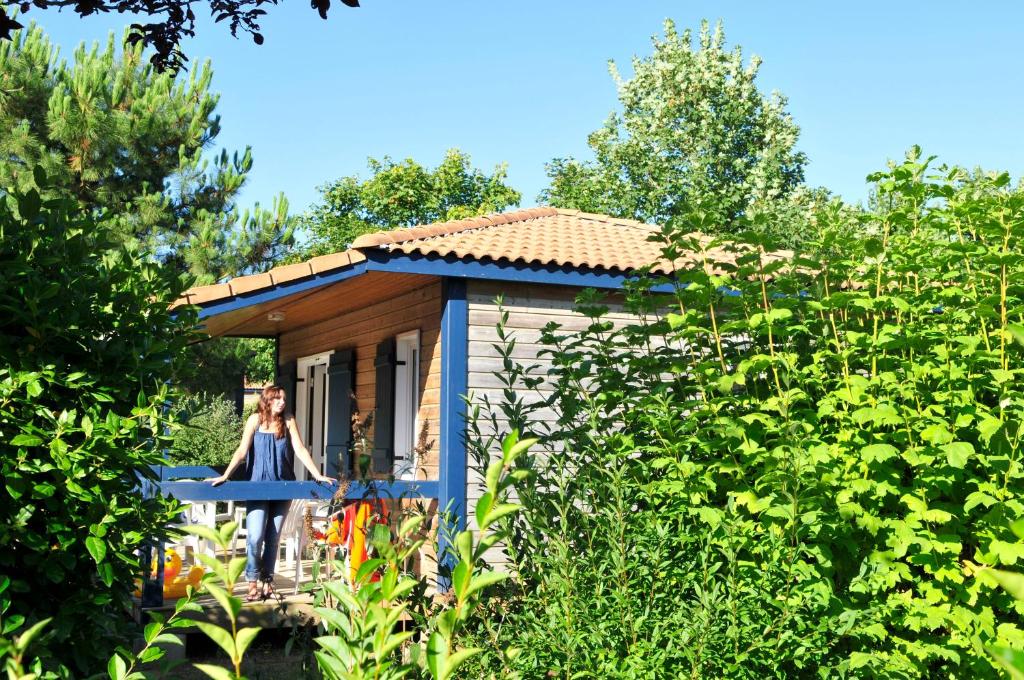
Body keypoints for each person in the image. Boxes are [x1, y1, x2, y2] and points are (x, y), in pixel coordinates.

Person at [209, 385, 334, 601]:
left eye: (284, 399)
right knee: (255, 536)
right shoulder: (254, 421)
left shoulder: (288, 421)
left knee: (273, 537)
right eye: (277, 399)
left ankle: (267, 581)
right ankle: (251, 582)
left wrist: (317, 475)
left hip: (283, 486)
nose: (282, 402)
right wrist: (226, 475)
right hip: (257, 487)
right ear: (267, 400)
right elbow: (242, 450)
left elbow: (301, 450)